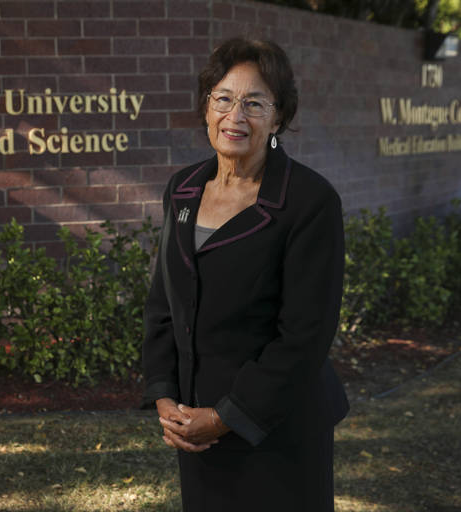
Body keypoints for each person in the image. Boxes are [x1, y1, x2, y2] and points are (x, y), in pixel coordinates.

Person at [142, 37, 349, 511]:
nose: (235, 116)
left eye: (254, 103)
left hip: (276, 430)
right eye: (224, 98)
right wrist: (164, 395)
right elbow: (164, 302)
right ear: (206, 105)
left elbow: (305, 336)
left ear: (279, 118)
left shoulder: (309, 202)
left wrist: (224, 417)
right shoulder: (183, 189)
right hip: (197, 428)